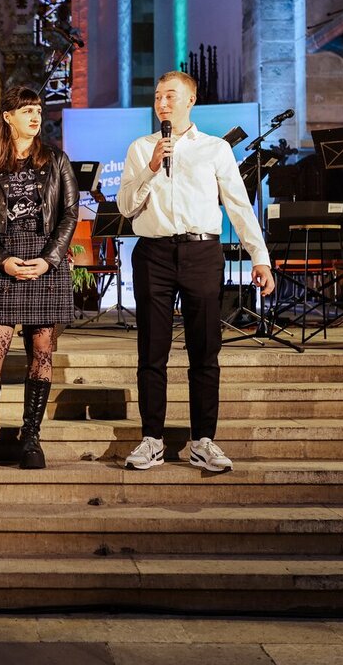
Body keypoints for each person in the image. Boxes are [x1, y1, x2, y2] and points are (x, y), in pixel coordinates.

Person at [118, 71, 276, 472]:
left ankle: (203, 439)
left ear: (190, 101)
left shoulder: (215, 149)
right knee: (151, 351)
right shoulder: (141, 148)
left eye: (171, 96)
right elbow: (125, 207)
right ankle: (151, 438)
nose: (162, 103)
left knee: (205, 350)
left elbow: (238, 205)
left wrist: (260, 257)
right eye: (157, 97)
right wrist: (153, 166)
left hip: (202, 252)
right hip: (153, 252)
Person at [0, 85, 78, 470]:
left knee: (42, 353)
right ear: (8, 117)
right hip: (2, 261)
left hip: (46, 262)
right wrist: (1, 258)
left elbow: (69, 214)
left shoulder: (57, 160)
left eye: (38, 109)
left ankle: (31, 437)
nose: (34, 116)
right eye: (26, 110)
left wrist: (49, 259)